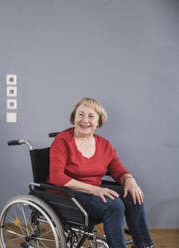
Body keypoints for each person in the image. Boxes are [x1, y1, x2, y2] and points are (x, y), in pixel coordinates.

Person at [48, 97, 154, 248]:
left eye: (91, 116)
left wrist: (130, 180)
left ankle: (144, 245)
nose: (85, 120)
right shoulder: (62, 141)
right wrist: (94, 189)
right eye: (81, 114)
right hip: (68, 194)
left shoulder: (104, 145)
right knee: (114, 205)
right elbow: (57, 177)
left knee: (133, 195)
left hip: (95, 191)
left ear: (98, 122)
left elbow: (119, 171)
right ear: (74, 118)